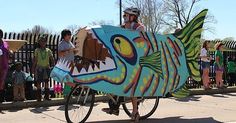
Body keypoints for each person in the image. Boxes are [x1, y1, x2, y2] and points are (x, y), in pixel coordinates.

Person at [102, 7, 145, 122]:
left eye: (126, 15)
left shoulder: (139, 28)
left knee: (131, 87)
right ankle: (115, 107)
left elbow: (141, 43)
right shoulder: (121, 27)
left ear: (133, 17)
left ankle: (135, 112)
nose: (124, 17)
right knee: (114, 79)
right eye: (124, 16)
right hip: (122, 60)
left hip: (135, 61)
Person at [32, 34, 55, 101]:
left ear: (46, 42)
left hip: (47, 68)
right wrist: (33, 68)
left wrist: (53, 66)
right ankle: (39, 97)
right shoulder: (37, 50)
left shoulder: (48, 50)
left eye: (44, 41)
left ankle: (46, 96)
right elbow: (35, 60)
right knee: (39, 82)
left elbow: (52, 58)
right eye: (41, 41)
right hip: (39, 68)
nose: (43, 42)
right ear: (39, 42)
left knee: (46, 82)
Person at [58, 29, 75, 98]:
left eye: (70, 34)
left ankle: (68, 94)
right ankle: (66, 94)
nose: (70, 36)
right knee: (68, 79)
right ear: (64, 36)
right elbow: (60, 54)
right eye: (68, 35)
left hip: (71, 63)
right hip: (65, 64)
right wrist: (69, 50)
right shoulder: (62, 44)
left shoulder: (70, 43)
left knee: (71, 79)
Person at [0, 29, 10, 103]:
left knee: (2, 82)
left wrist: (10, 53)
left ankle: (1, 99)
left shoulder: (5, 44)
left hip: (4, 66)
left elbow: (8, 53)